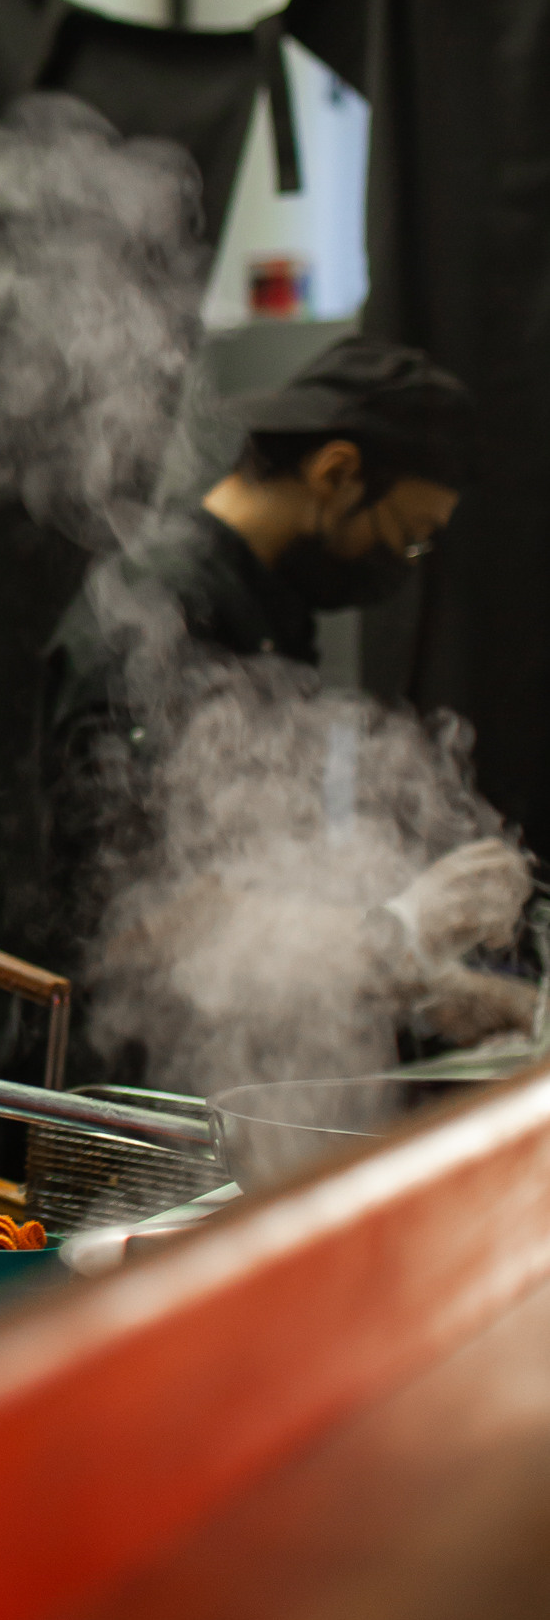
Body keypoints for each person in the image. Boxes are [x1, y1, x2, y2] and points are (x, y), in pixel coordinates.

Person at [40, 335, 534, 1078]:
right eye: (405, 541)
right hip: (135, 1091)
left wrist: (433, 991)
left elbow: (260, 878)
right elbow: (139, 921)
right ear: (335, 473)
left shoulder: (267, 608)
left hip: (244, 1071)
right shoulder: (156, 615)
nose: (401, 569)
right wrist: (394, 936)